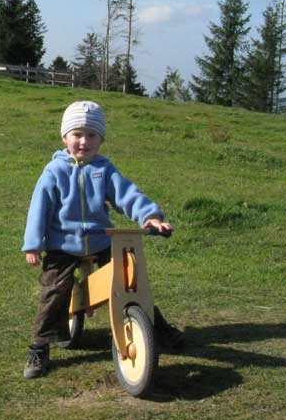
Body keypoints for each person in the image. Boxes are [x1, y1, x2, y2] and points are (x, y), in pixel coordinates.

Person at [22, 100, 184, 379]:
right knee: (53, 291)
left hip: (101, 240)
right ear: (65, 137)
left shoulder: (104, 169)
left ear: (101, 139)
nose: (84, 142)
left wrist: (150, 216)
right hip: (63, 245)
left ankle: (156, 327)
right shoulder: (54, 171)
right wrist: (34, 243)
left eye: (91, 135)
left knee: (131, 278)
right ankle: (39, 346)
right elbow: (40, 208)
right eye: (77, 134)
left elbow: (127, 195)